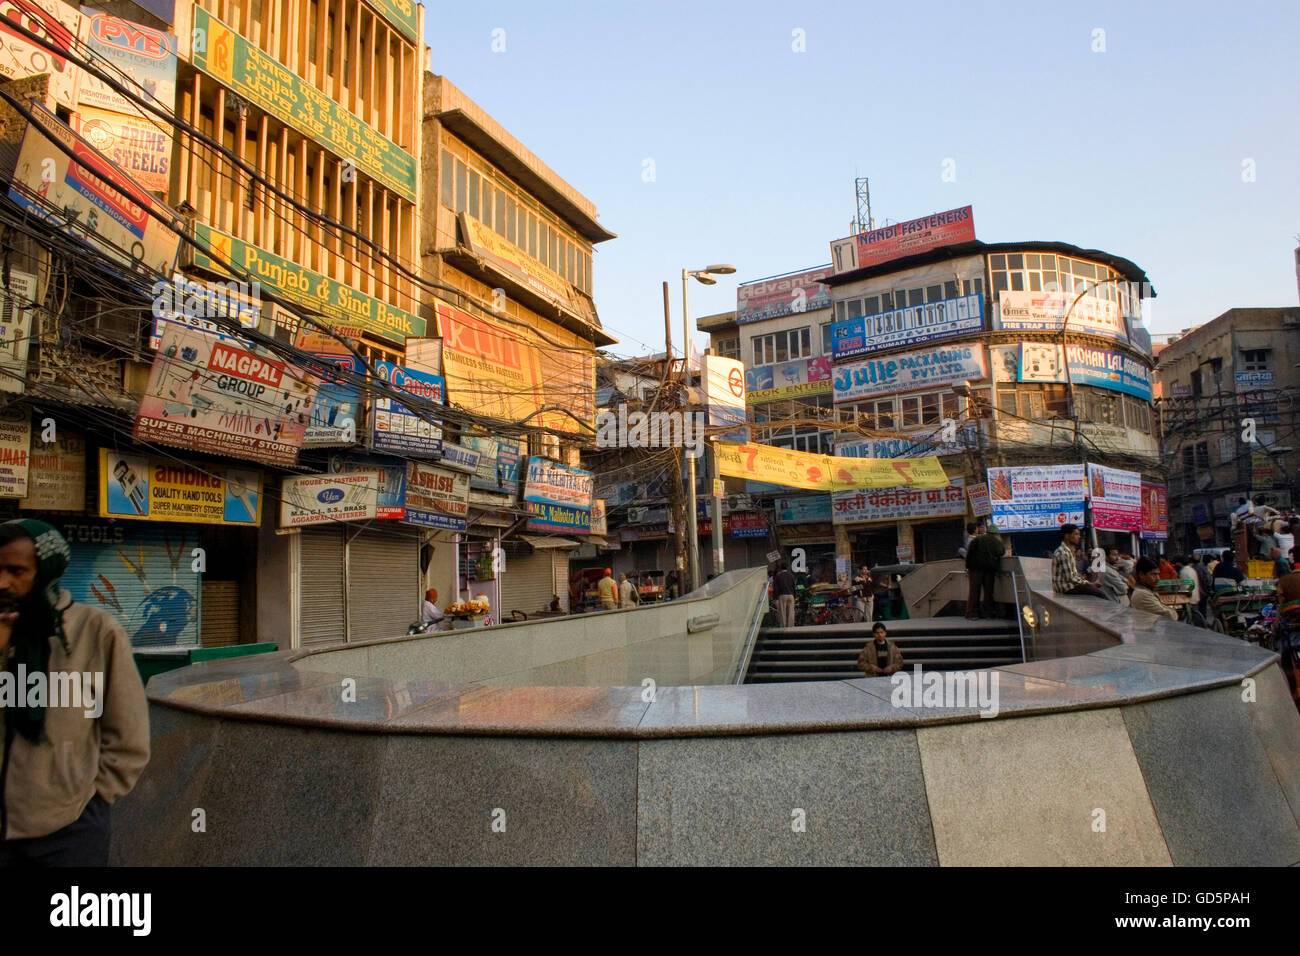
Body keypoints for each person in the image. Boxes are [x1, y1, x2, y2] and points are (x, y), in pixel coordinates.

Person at [0, 519, 150, 866]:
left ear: (46, 571)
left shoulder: (95, 631)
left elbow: (129, 734)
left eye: (16, 570)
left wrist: (95, 799)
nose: (3, 582)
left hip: (68, 832)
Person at [1051, 524, 1109, 599]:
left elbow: (1073, 574)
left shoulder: (1068, 551)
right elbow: (1071, 578)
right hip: (1066, 588)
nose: (1079, 537)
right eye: (1076, 534)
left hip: (1069, 586)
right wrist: (1089, 584)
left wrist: (1085, 582)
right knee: (1100, 595)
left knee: (1096, 592)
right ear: (1067, 536)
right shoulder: (1063, 553)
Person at [966, 521, 1005, 619]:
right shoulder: (997, 542)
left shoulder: (978, 539)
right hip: (989, 569)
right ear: (996, 533)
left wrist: (968, 566)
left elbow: (969, 552)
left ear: (987, 531)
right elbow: (1001, 552)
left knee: (974, 591)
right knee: (988, 591)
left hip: (975, 568)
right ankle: (988, 612)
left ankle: (972, 613)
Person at [1128, 556, 1179, 621]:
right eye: (1153, 574)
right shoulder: (1142, 595)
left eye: (1158, 574)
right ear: (1141, 575)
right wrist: (1173, 612)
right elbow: (1171, 616)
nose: (1158, 578)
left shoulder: (1147, 590)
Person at [773, 560, 797, 628]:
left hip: (782, 595)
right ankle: (791, 626)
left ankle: (783, 626)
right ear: (787, 568)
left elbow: (776, 587)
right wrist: (794, 596)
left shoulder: (778, 576)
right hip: (791, 595)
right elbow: (794, 586)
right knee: (791, 612)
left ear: (781, 568)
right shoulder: (791, 575)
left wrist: (775, 597)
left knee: (782, 612)